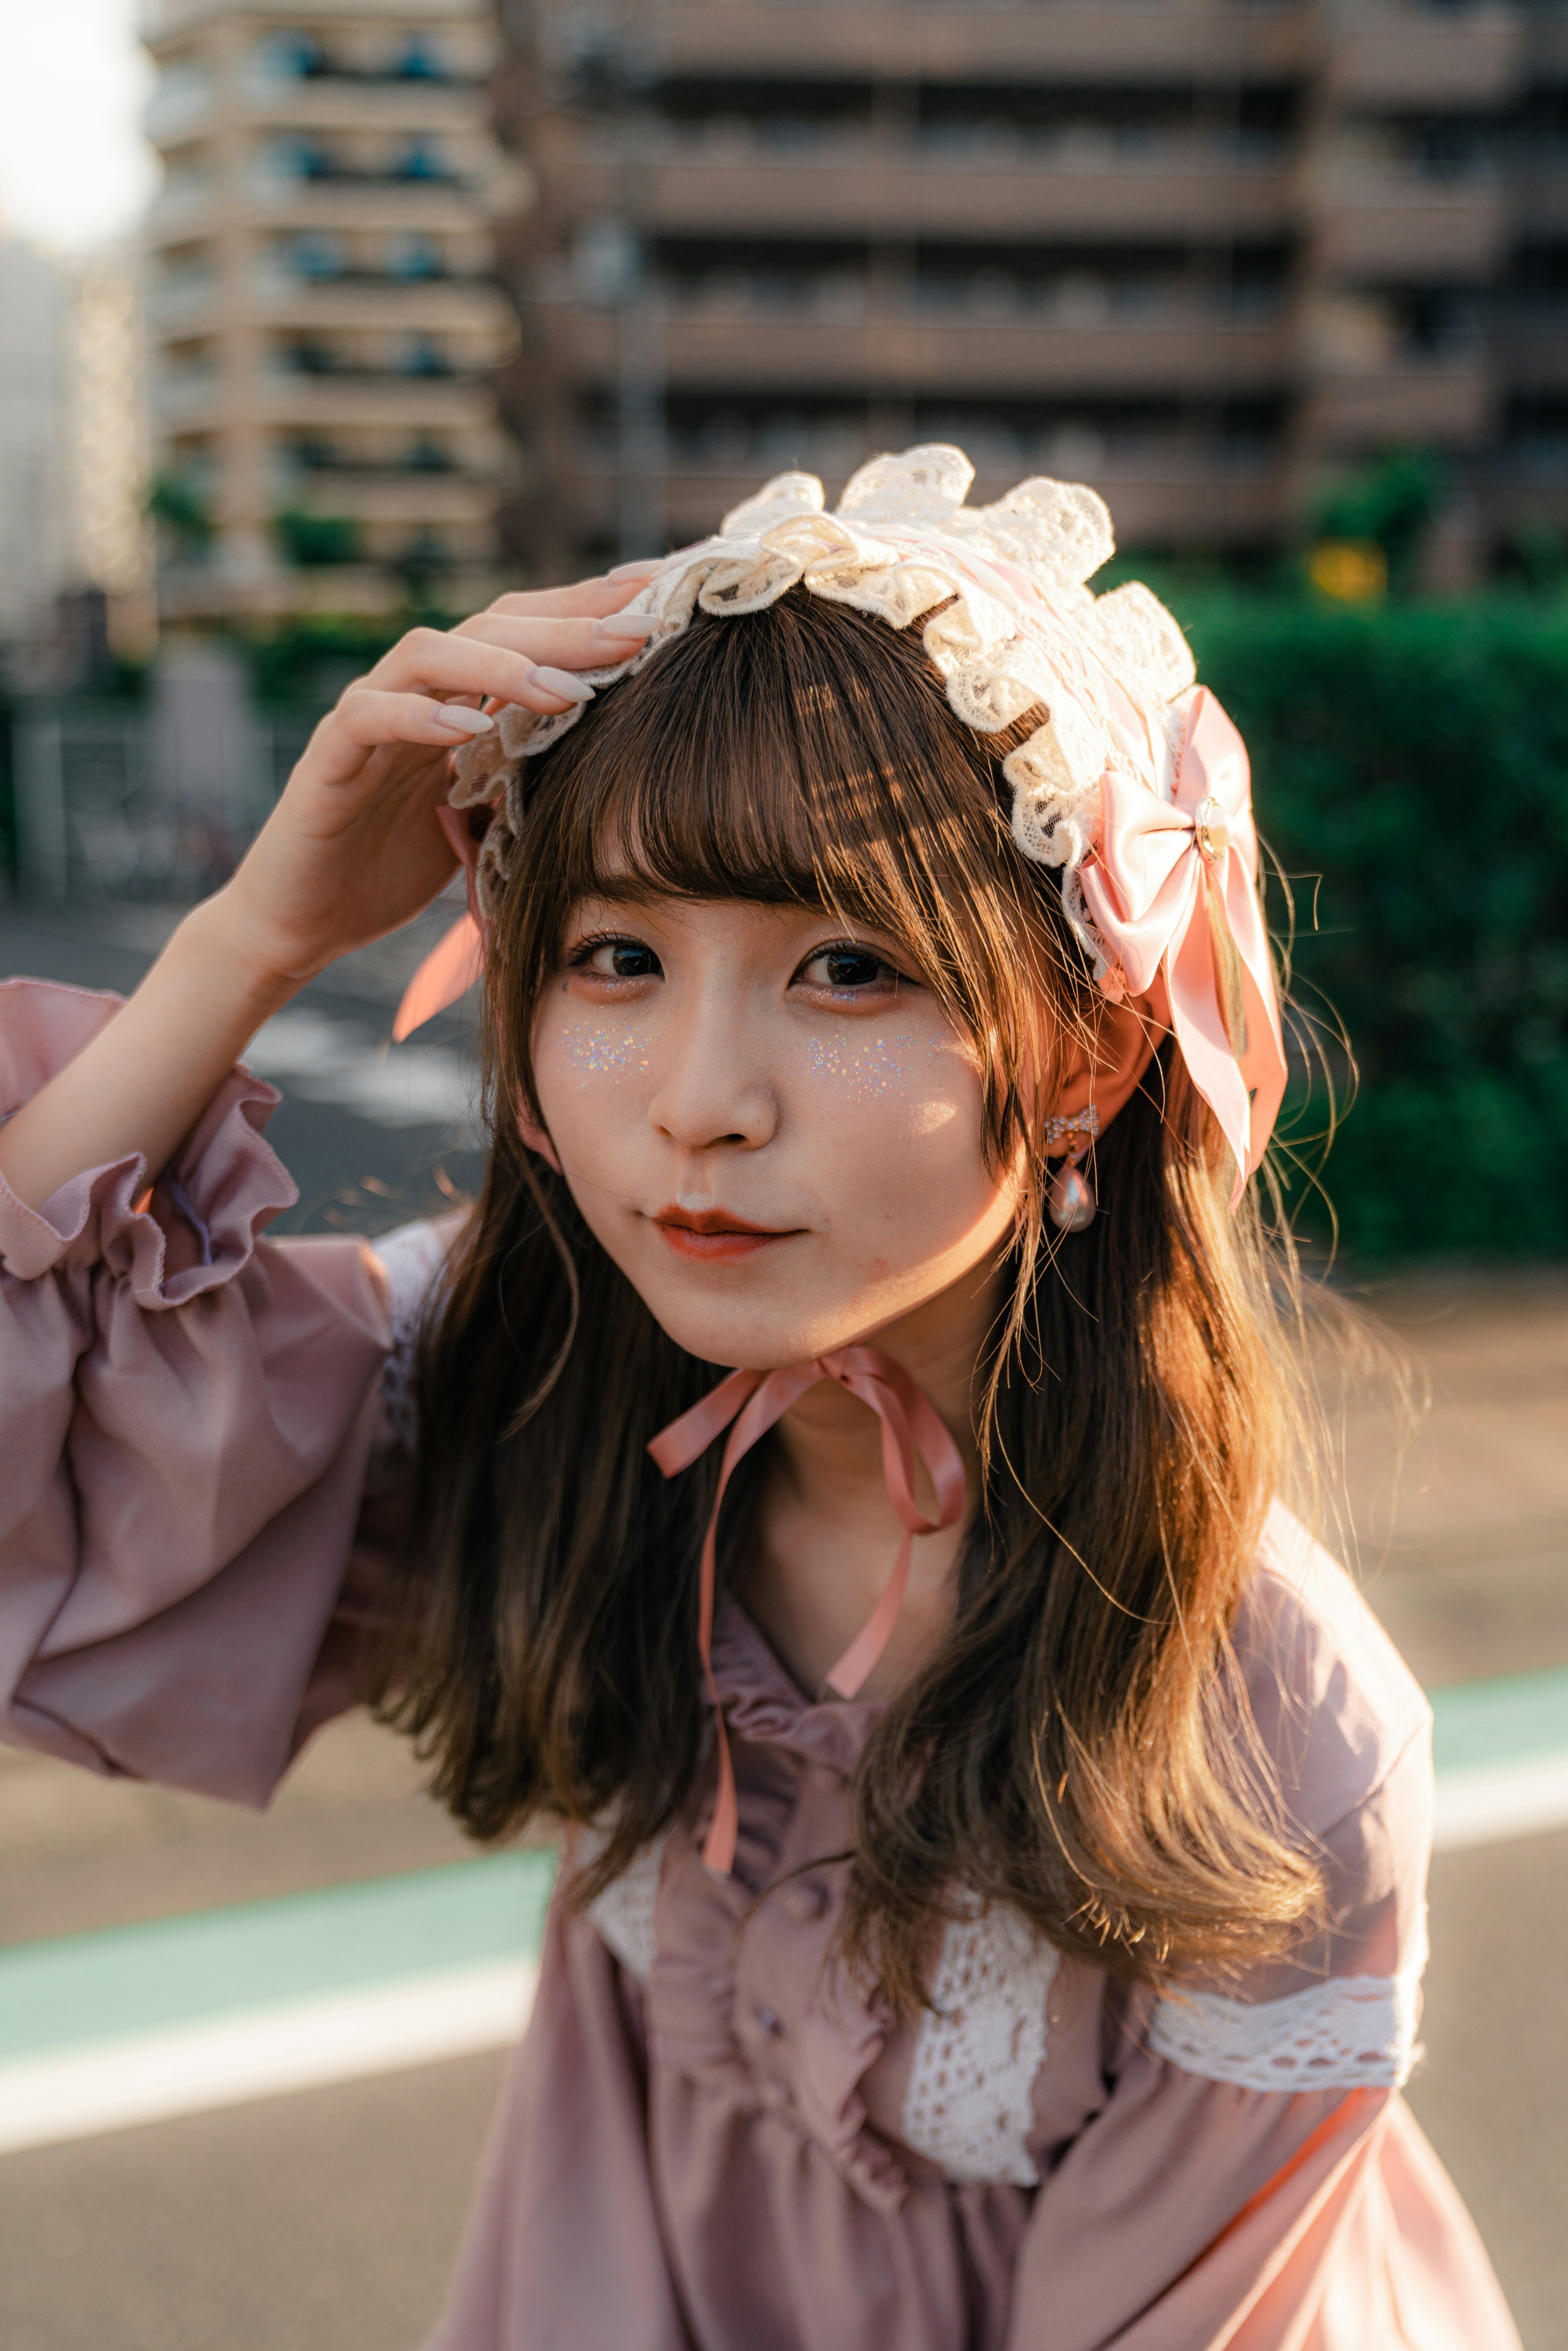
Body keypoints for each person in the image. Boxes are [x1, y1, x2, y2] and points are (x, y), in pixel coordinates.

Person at [0, 448, 1519, 2350]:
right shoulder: (514, 1364)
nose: (700, 1098)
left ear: (1093, 1046)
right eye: (617, 958)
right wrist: (253, 939)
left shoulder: (1280, 1737)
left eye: (847, 969)